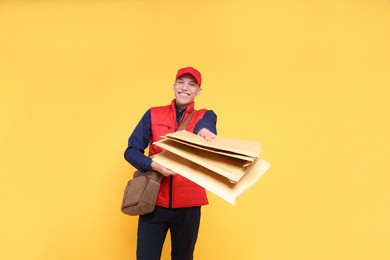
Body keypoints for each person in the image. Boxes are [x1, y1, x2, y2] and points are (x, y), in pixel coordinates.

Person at [124, 66, 217, 260]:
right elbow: (131, 151)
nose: (185, 88)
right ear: (174, 86)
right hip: (153, 201)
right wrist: (152, 165)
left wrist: (205, 131)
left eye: (192, 84)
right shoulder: (153, 114)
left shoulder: (205, 115)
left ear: (199, 91)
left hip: (189, 205)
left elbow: (206, 124)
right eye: (181, 82)